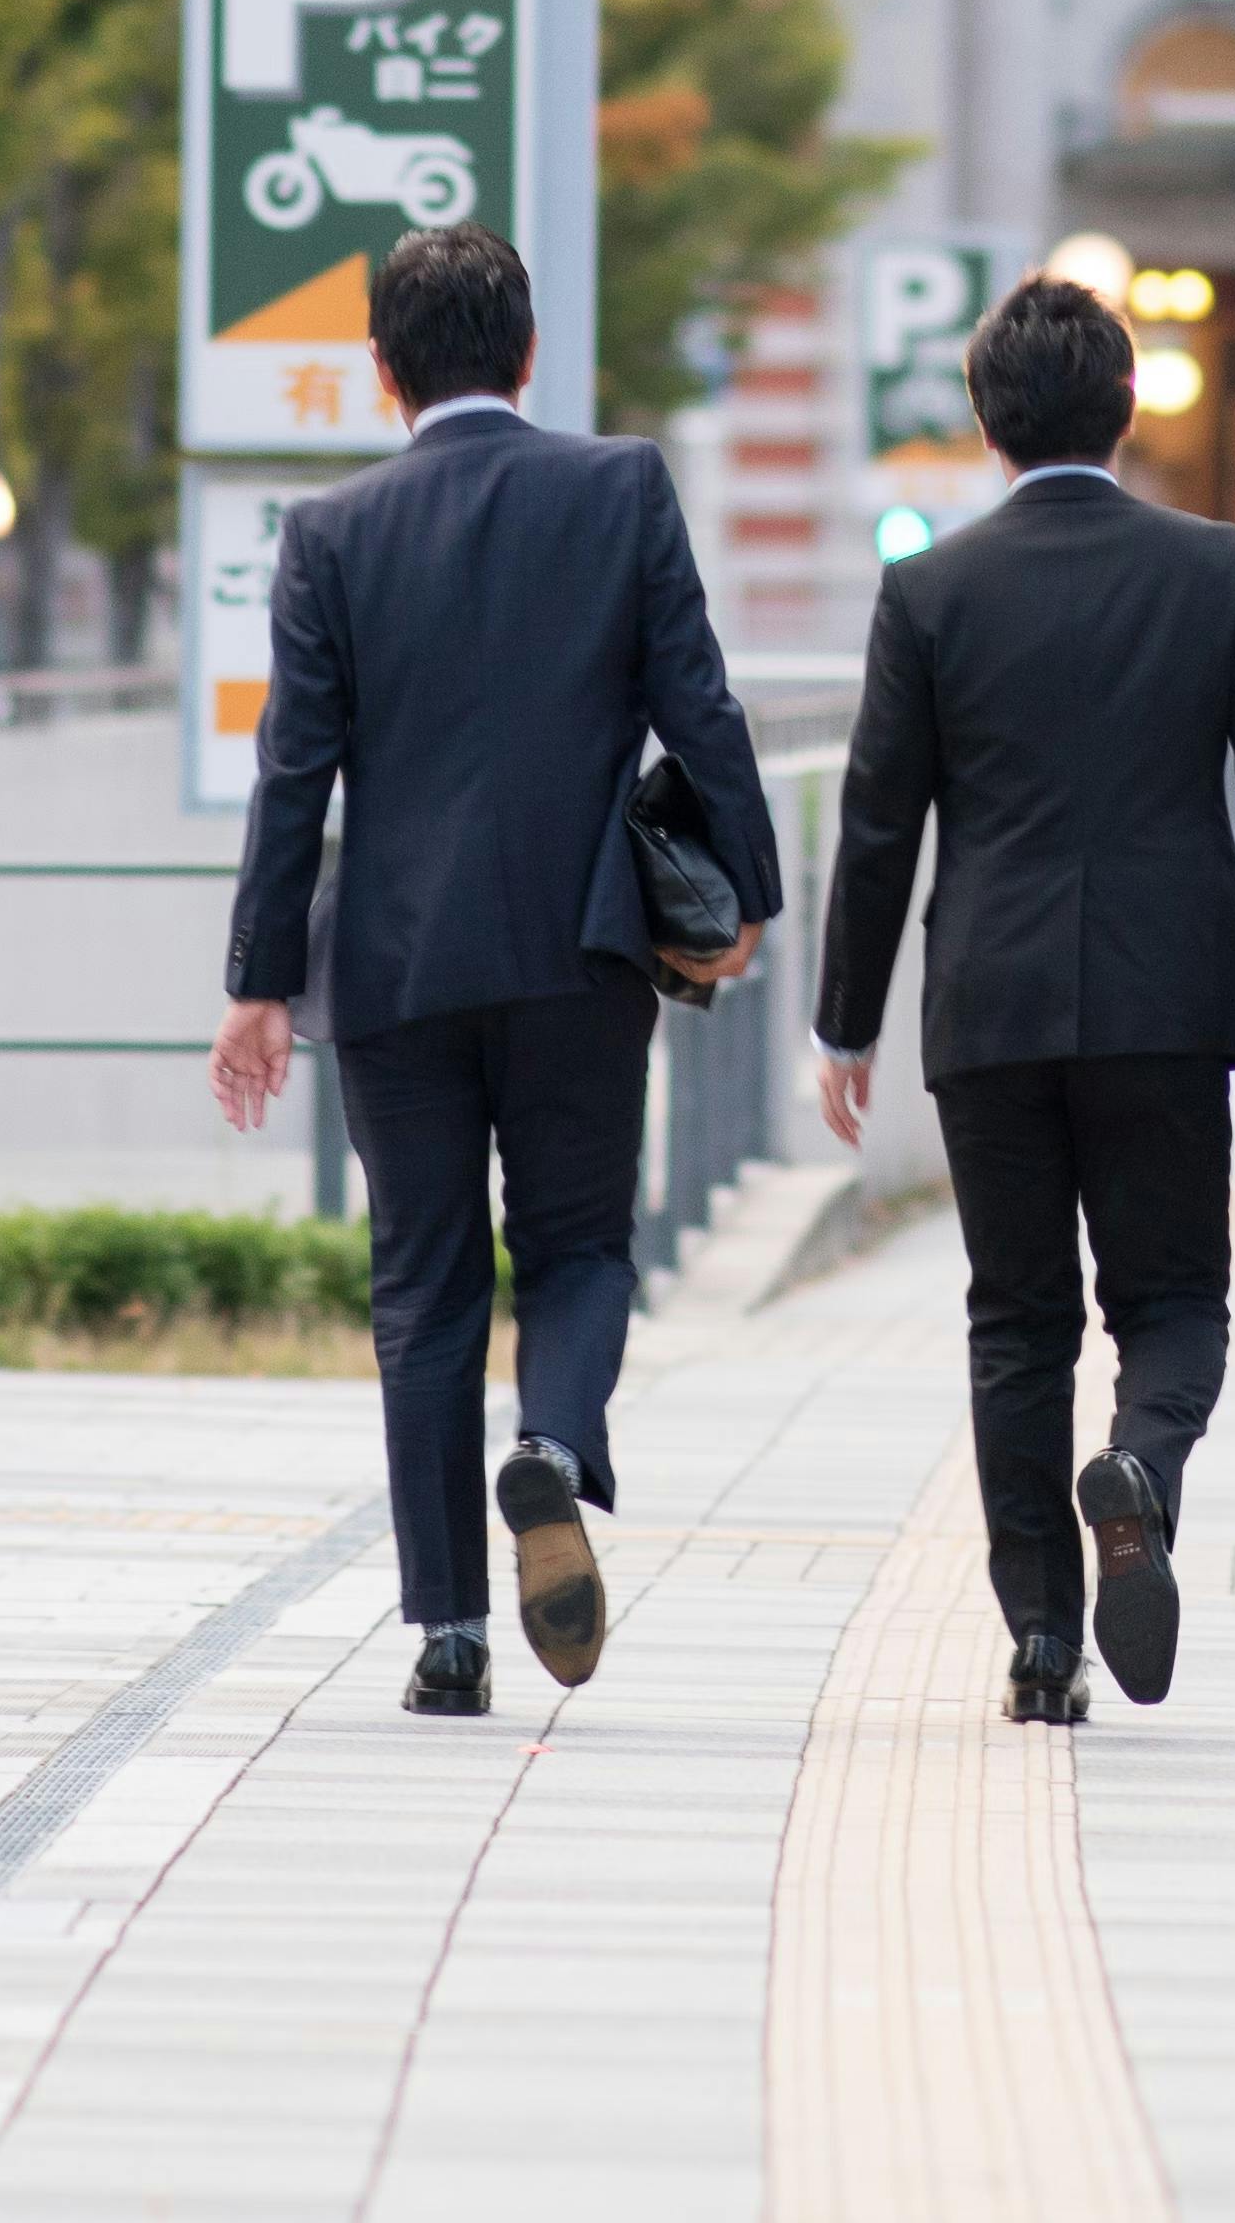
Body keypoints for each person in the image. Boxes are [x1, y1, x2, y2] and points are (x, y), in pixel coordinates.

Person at [207, 217, 783, 1718]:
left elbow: (294, 776)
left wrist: (260, 981)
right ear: (529, 353)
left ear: (382, 374)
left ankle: (449, 1637)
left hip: (393, 968)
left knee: (422, 1288)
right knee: (582, 1244)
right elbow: (700, 706)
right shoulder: (619, 489)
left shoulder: (331, 533)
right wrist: (750, 890)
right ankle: (554, 1441)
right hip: (580, 948)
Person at [808, 270, 1235, 1727]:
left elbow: (881, 822)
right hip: (1166, 999)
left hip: (986, 1002)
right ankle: (1141, 1469)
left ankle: (1044, 1643)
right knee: (1175, 1298)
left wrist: (846, 1021)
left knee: (1016, 1323)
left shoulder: (929, 590)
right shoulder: (1215, 568)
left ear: (987, 424)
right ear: (1126, 413)